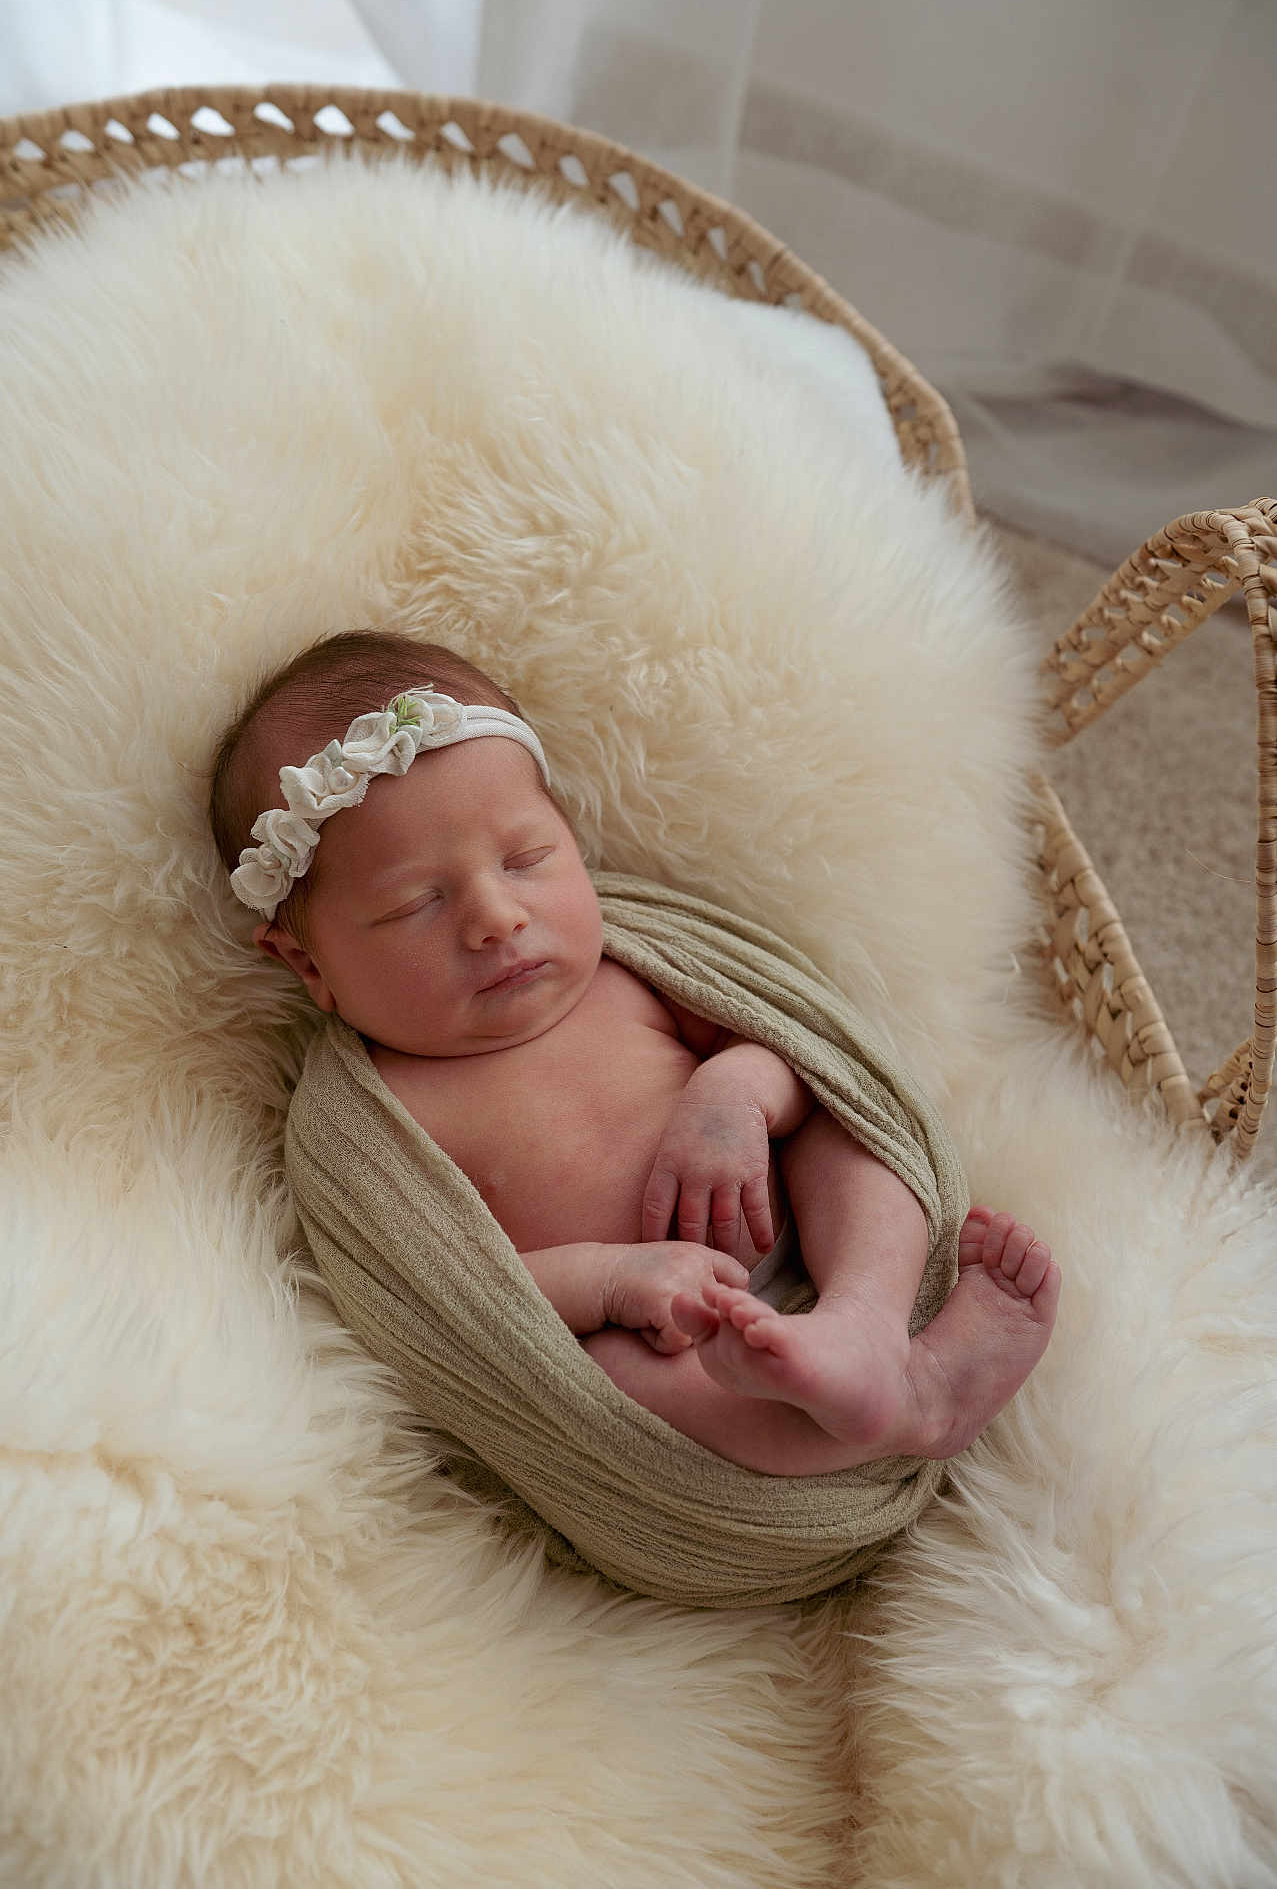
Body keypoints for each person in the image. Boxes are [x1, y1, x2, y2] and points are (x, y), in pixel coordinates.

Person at [209, 629, 1059, 1478]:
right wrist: (611, 1282)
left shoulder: (633, 970)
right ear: (307, 964)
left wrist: (736, 1090)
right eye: (413, 906)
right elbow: (451, 1299)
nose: (496, 916)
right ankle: (887, 1410)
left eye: (526, 858)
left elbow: (801, 1054)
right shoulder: (376, 1118)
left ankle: (869, 1327)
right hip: (657, 1336)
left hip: (806, 1236)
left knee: (848, 1136)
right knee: (620, 1377)